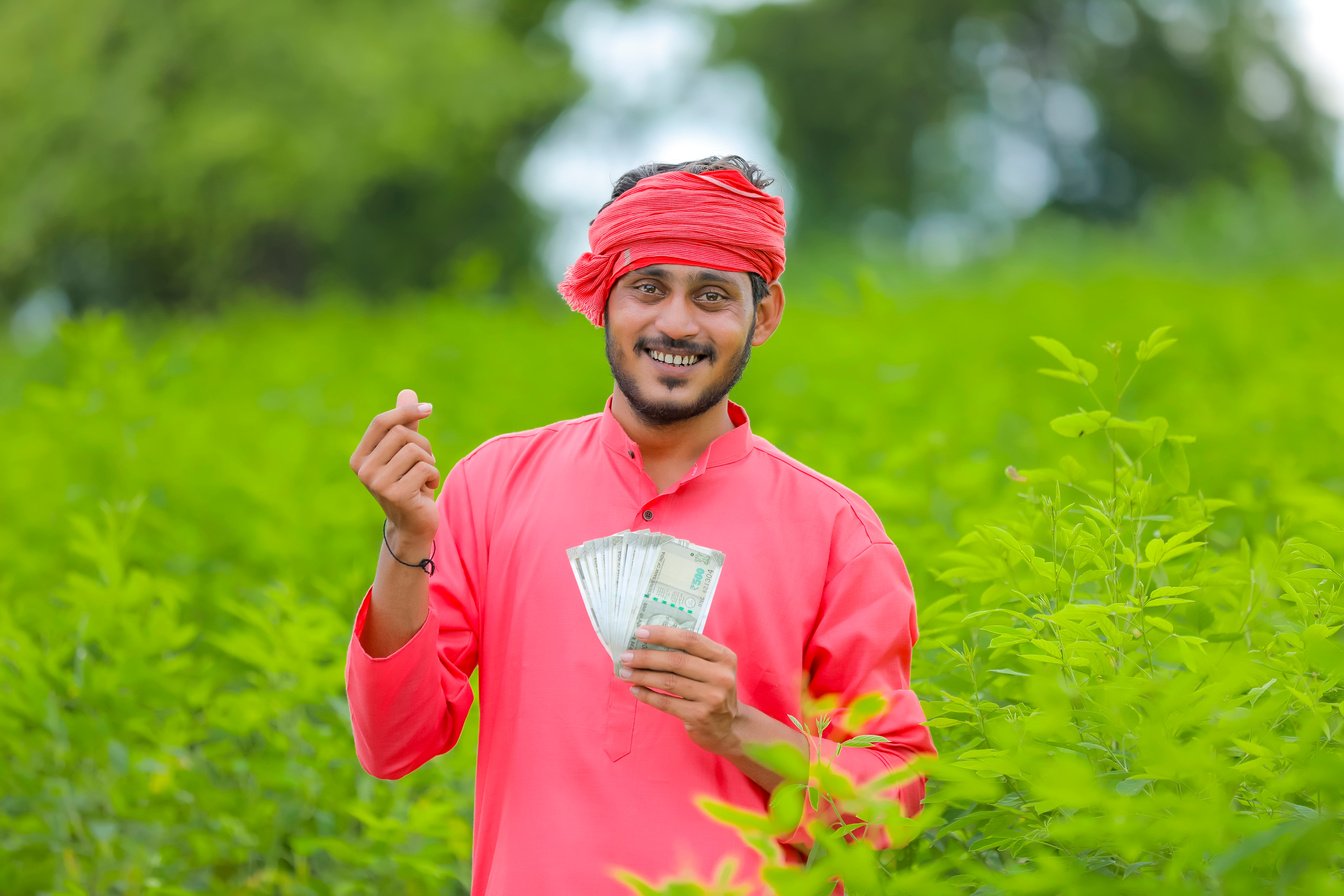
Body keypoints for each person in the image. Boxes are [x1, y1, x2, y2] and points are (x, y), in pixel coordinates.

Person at [345, 155, 936, 894]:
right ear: (603, 300)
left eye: (714, 295)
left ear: (766, 314)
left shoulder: (835, 532)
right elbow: (394, 743)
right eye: (648, 288)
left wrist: (740, 729)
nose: (677, 323)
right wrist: (406, 543)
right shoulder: (495, 485)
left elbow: (893, 806)